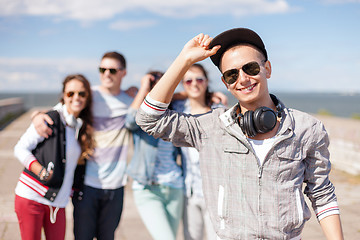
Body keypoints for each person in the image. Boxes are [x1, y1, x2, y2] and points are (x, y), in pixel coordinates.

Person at [135, 28, 344, 240]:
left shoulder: (307, 128)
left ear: (267, 69)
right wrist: (184, 60)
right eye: (232, 74)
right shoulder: (210, 128)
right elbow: (148, 119)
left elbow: (322, 194)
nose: (243, 79)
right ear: (226, 83)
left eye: (251, 68)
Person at [32, 52, 134, 240]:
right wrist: (37, 115)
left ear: (123, 73)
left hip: (116, 185)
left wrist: (140, 88)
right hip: (86, 184)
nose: (106, 74)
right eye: (102, 69)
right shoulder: (89, 95)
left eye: (112, 70)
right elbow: (60, 111)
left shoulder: (131, 102)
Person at [14, 74, 94, 240]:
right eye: (70, 93)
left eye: (82, 93)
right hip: (31, 197)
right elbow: (20, 148)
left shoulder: (79, 125)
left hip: (58, 203)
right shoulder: (50, 119)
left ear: (87, 97)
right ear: (63, 96)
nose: (76, 98)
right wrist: (40, 170)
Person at [126, 71, 184, 240]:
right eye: (156, 88)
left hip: (174, 186)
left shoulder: (174, 114)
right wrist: (144, 87)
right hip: (147, 188)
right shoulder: (143, 116)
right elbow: (129, 121)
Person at [177, 63, 218, 240]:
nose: (194, 84)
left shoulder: (218, 112)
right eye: (188, 81)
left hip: (215, 193)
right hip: (190, 190)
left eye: (199, 79)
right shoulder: (178, 111)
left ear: (207, 81)